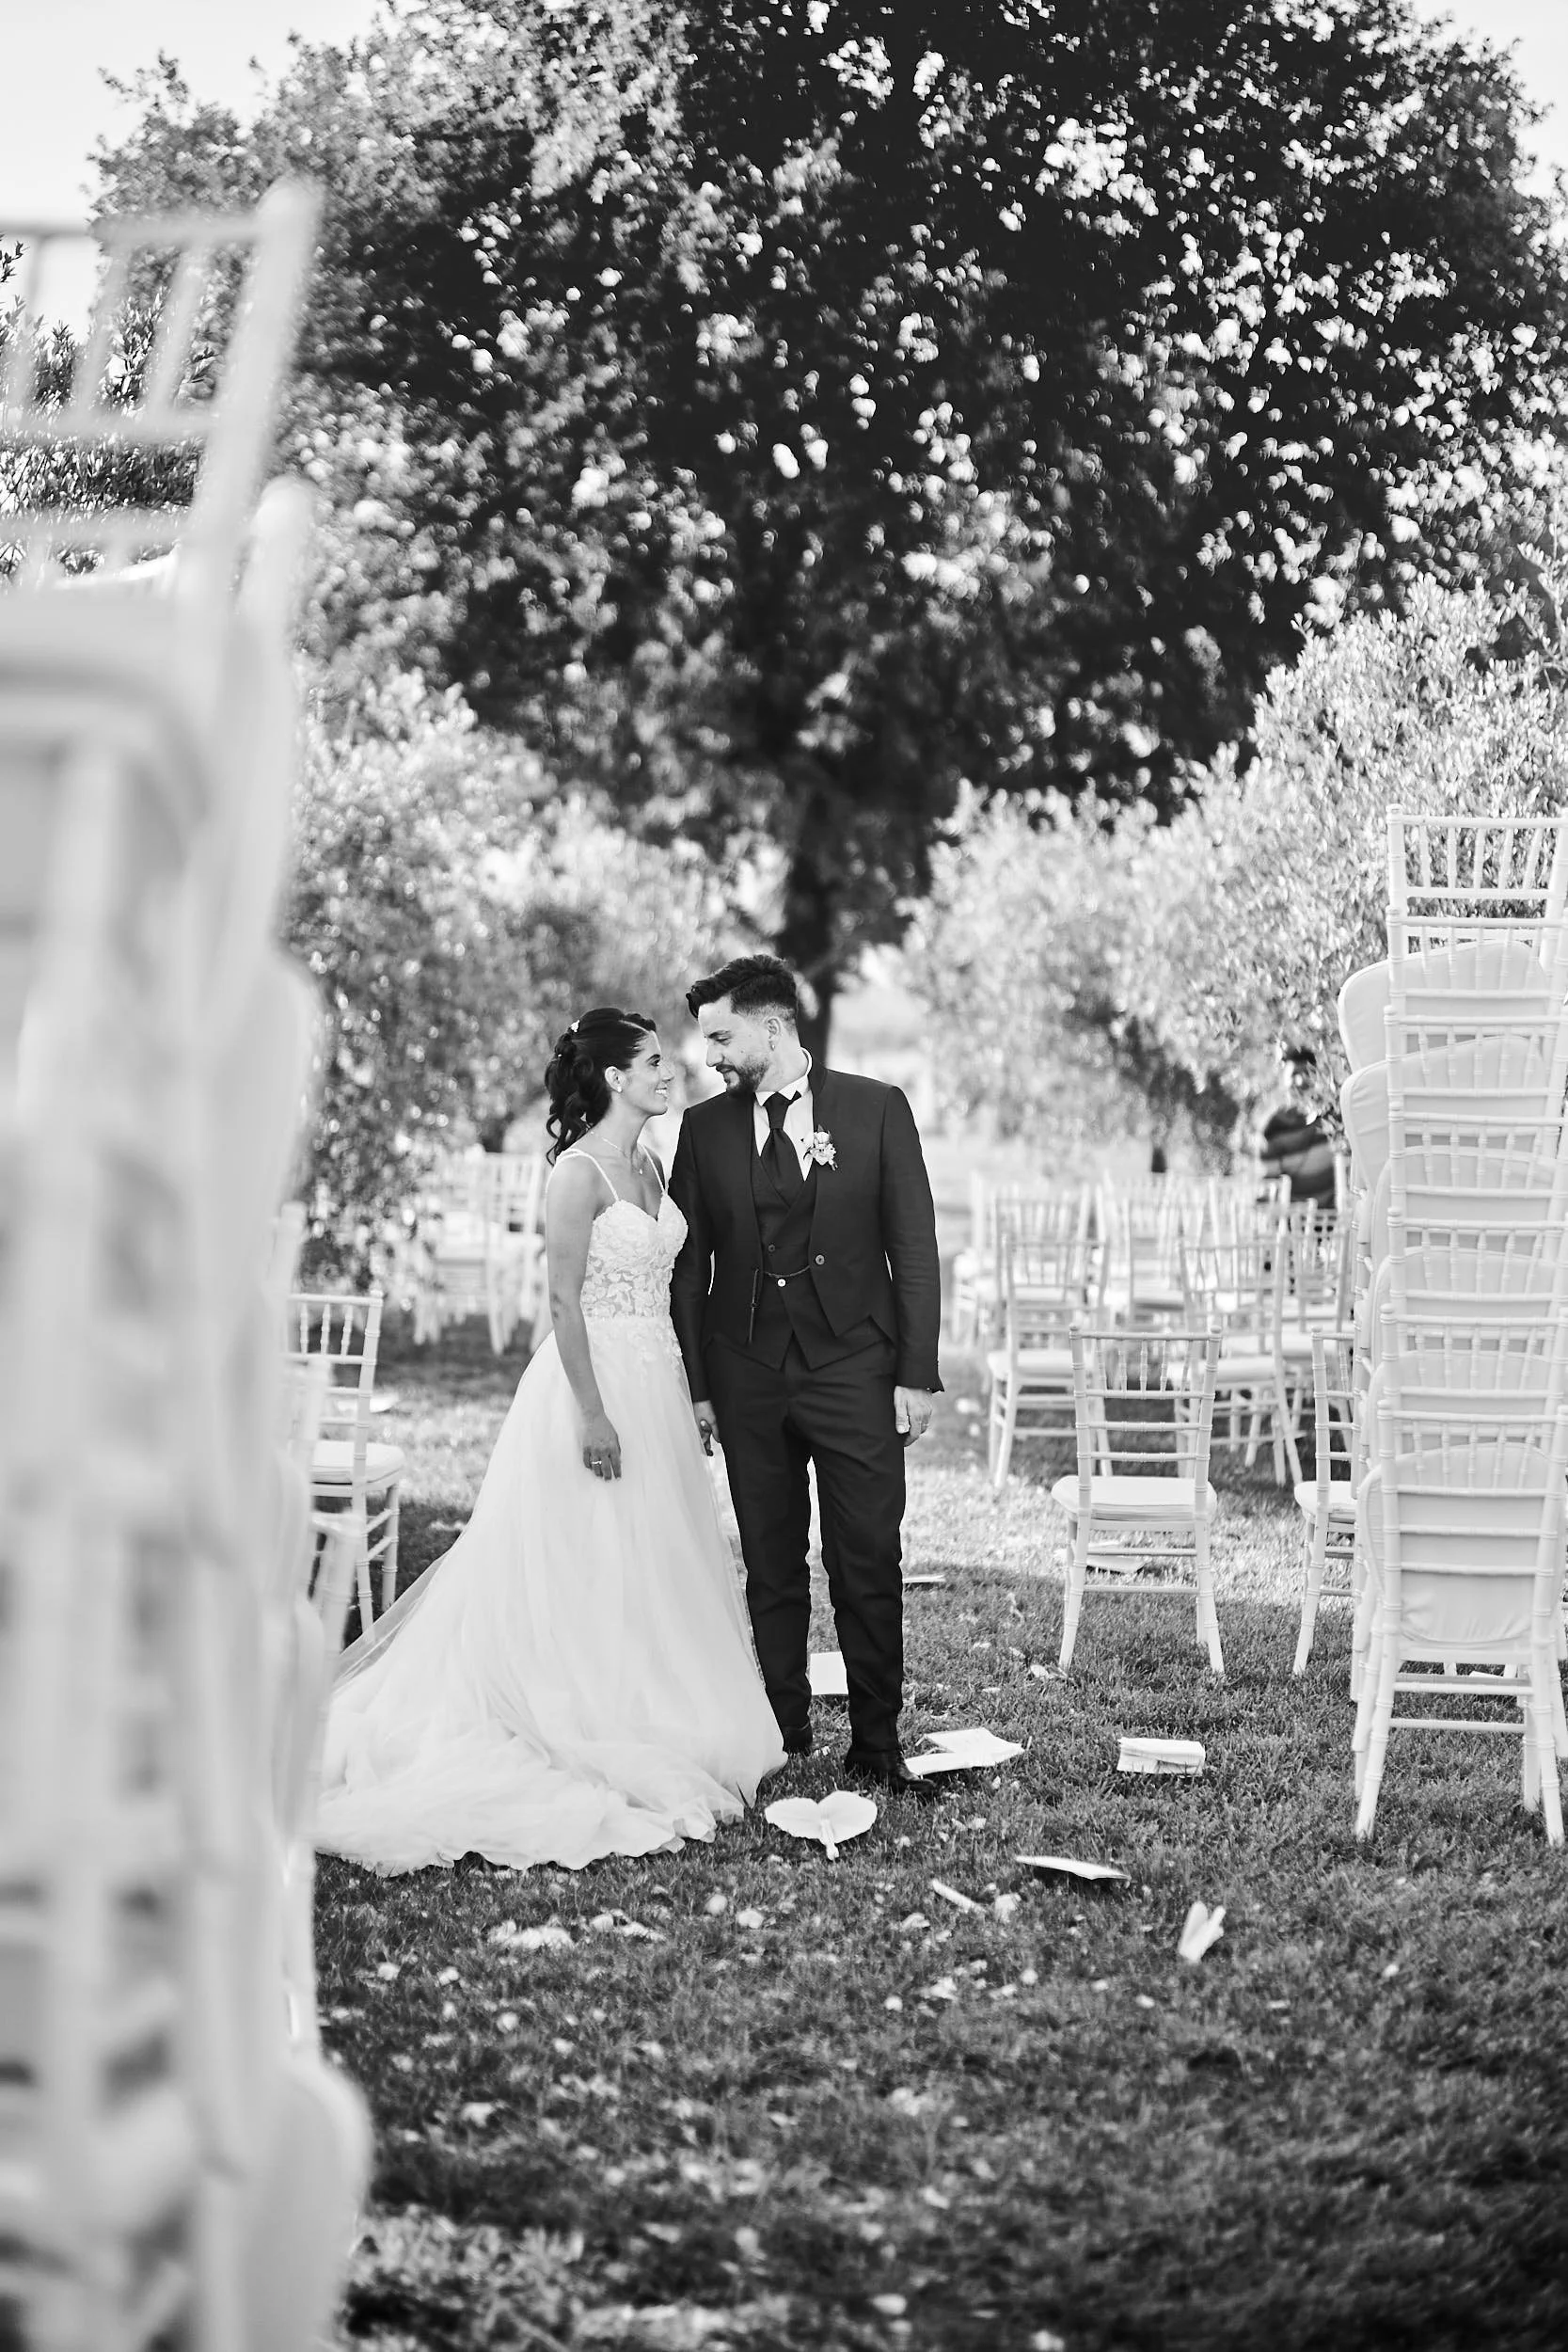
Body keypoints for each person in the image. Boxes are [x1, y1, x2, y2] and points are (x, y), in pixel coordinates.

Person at [314, 1007, 785, 1875]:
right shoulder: (576, 1176)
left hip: (657, 1376)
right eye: (651, 1062)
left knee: (651, 1554)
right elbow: (564, 1302)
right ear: (613, 1077)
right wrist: (593, 1412)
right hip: (594, 1380)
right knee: (586, 1552)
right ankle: (572, 1710)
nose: (667, 1072)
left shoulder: (647, 1158)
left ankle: (649, 1701)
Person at [670, 956, 944, 1802]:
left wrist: (916, 1373)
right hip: (745, 1370)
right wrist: (698, 1387)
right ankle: (783, 1734)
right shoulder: (703, 1129)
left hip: (855, 1370)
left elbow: (914, 1248)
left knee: (866, 1556)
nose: (709, 1053)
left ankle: (875, 1745)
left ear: (774, 1026)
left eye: (721, 1035)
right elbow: (689, 1267)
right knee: (771, 1562)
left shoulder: (875, 1109)